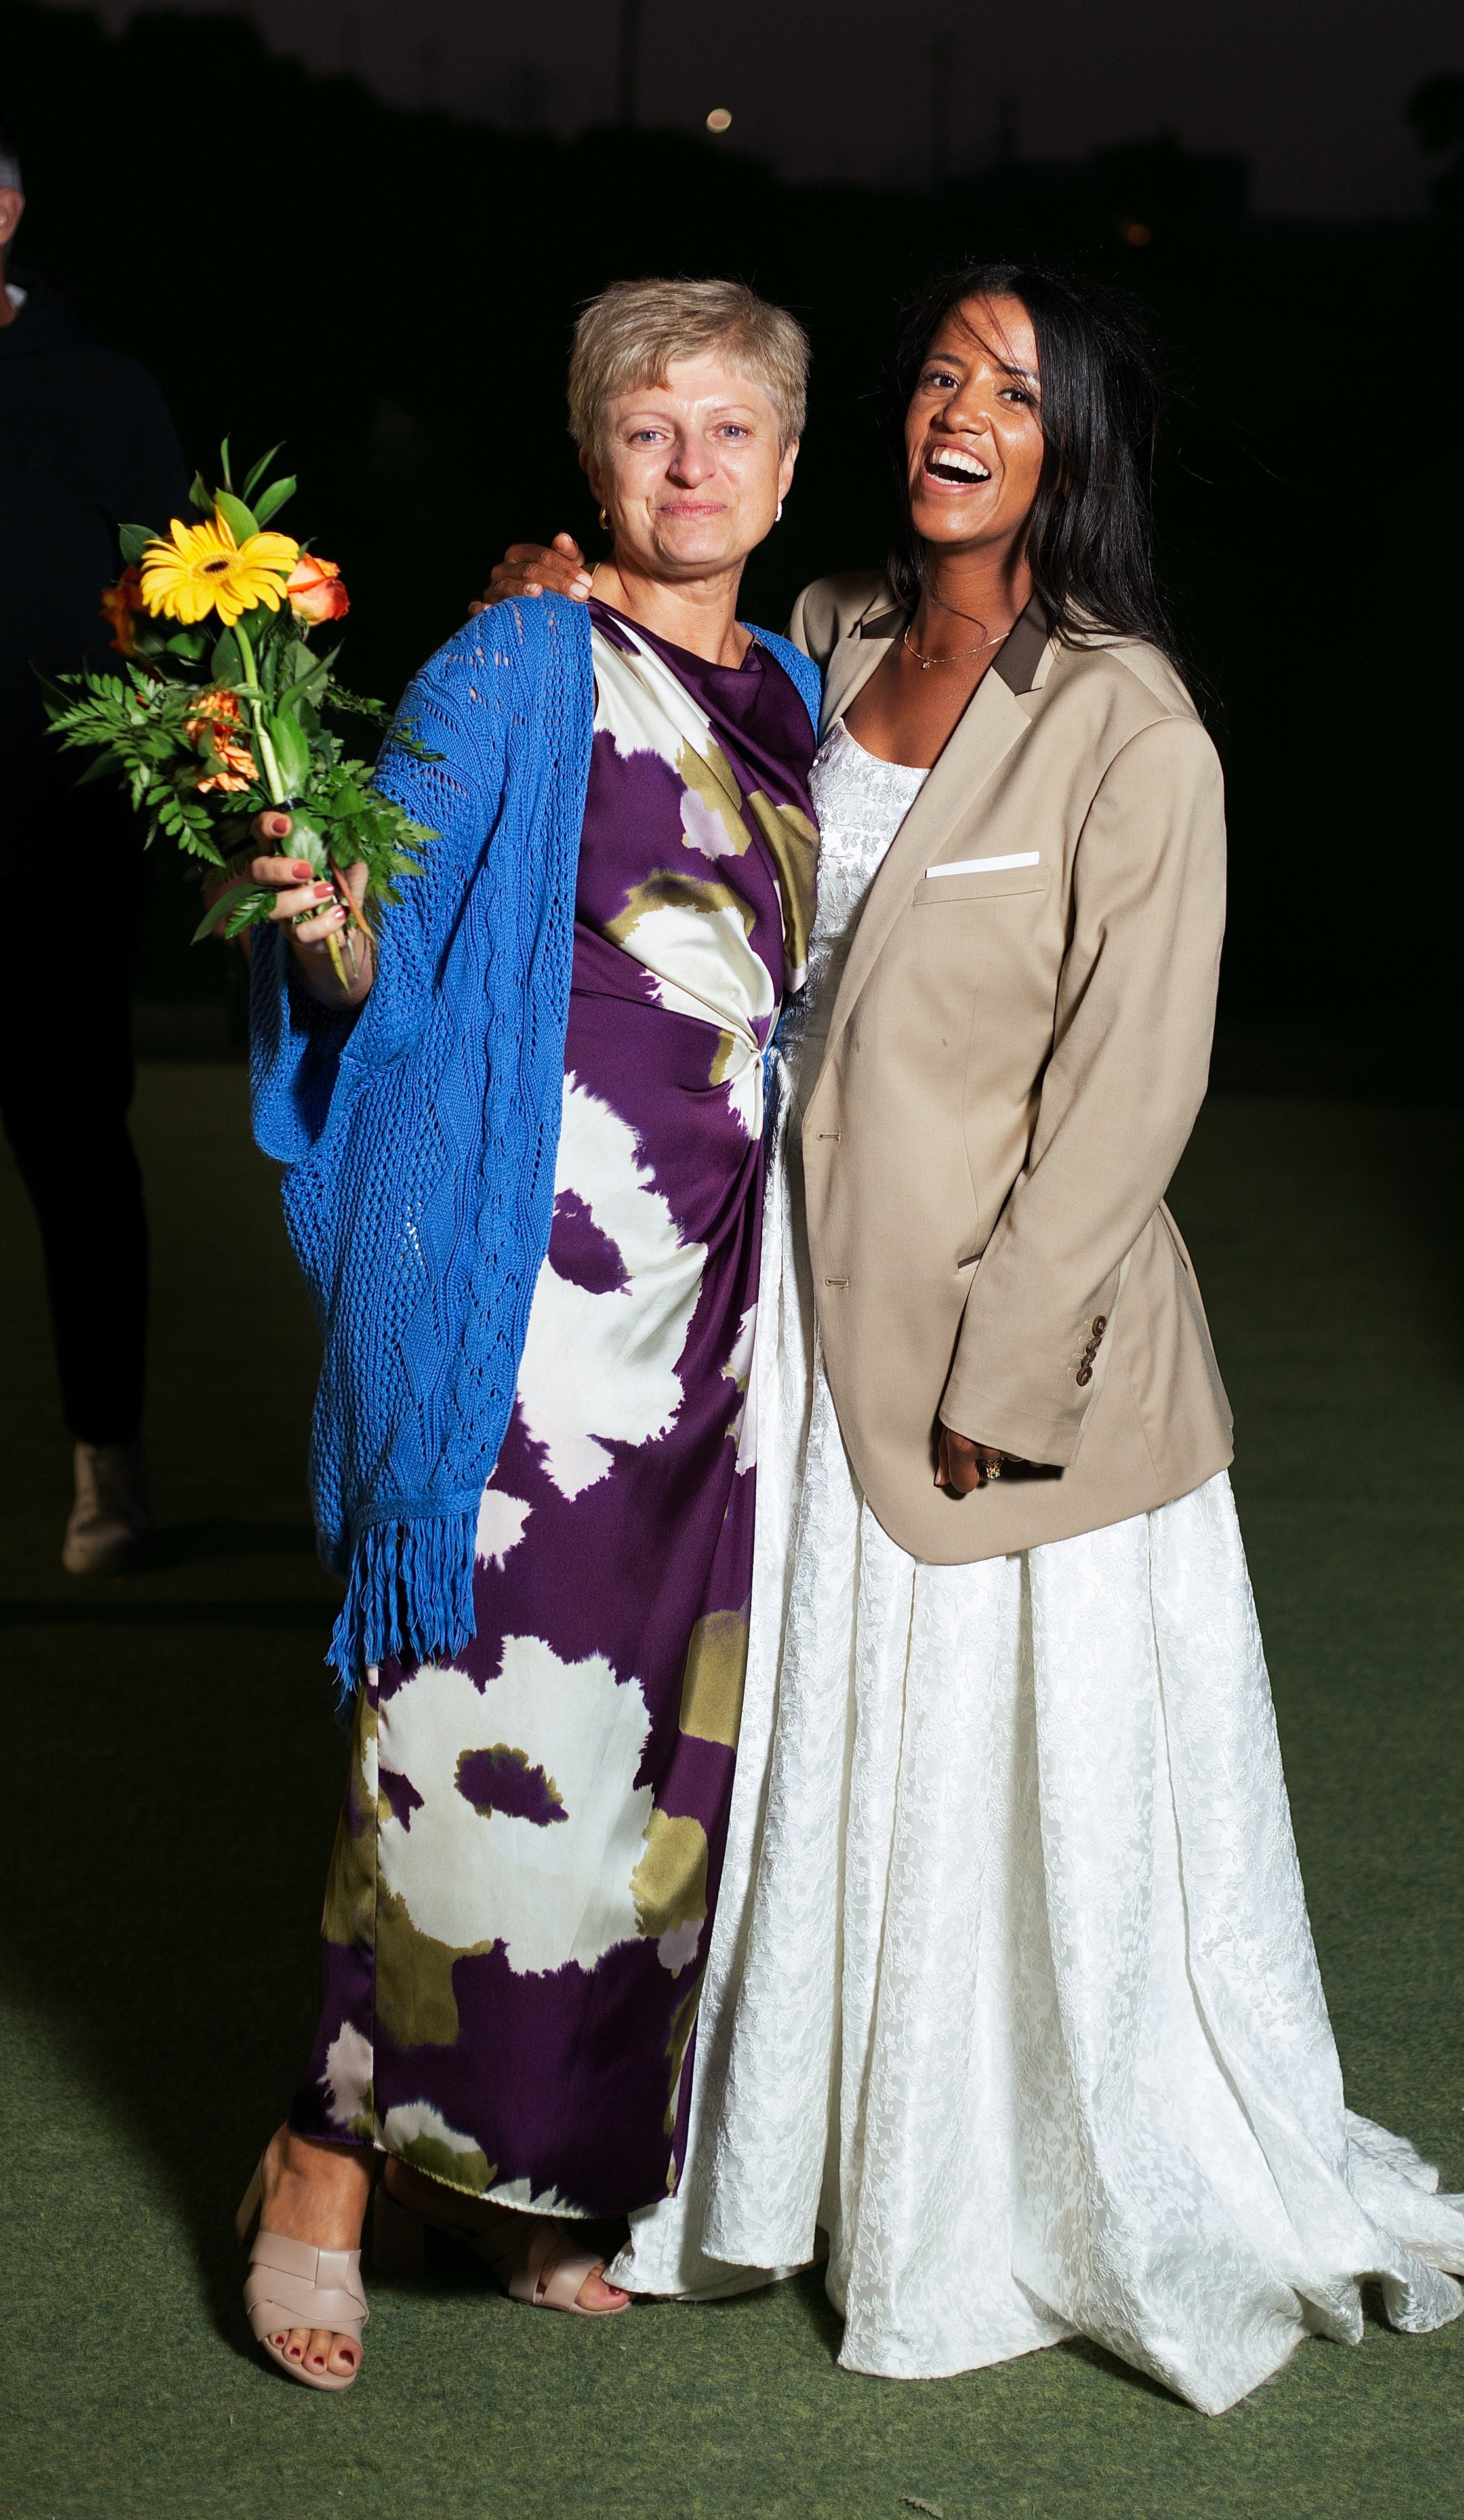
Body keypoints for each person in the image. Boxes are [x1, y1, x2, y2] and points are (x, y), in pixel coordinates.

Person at [479, 265, 1464, 2415]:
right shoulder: (832, 627)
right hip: (786, 1303)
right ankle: (761, 2161)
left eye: (1016, 386)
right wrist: (558, 594)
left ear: (1079, 443)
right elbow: (677, 773)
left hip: (1012, 1358)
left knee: (996, 1779)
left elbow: (1133, 1086)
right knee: (797, 1746)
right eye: (938, 376)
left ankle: (978, 2186)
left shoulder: (1133, 717)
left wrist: (1007, 1365)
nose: (959, 410)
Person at [232, 278, 821, 2390]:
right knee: (458, 1724)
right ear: (591, 459)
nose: (689, 466)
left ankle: (515, 2167)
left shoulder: (800, 691)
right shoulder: (516, 661)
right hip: (533, 1299)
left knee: (649, 1761)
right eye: (647, 428)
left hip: (727, 1313)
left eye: (729, 429)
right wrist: (320, 909)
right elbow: (386, 944)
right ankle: (322, 2158)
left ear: (780, 461)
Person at [0, 116, 189, 1573]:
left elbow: (177, 605)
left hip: (54, 835)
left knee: (74, 1144)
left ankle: (103, 1473)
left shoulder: (101, 393)